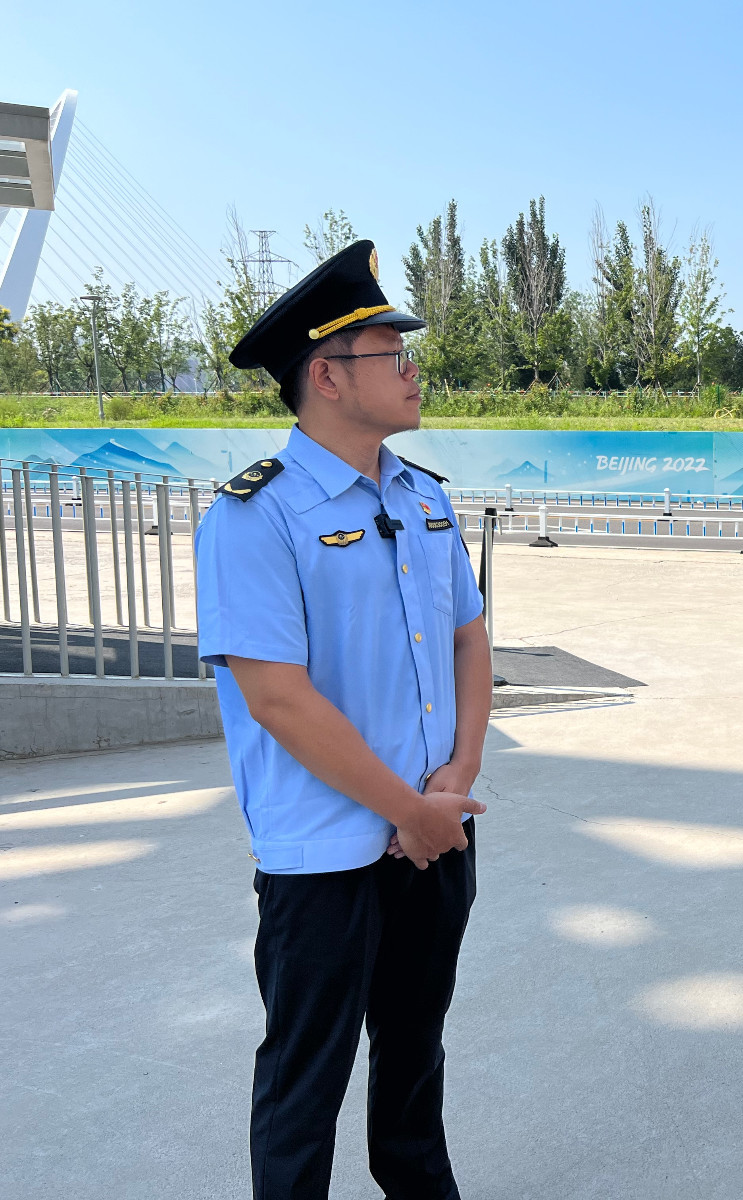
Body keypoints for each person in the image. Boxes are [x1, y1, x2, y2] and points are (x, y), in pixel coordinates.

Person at [195, 240, 492, 1200]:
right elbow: (276, 696)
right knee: (304, 1077)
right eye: (390, 353)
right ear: (325, 376)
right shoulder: (254, 517)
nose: (412, 370)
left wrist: (454, 778)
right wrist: (407, 810)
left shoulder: (425, 498)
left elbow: (469, 639)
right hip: (325, 854)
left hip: (436, 833)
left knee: (415, 1053)